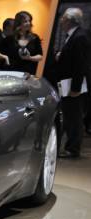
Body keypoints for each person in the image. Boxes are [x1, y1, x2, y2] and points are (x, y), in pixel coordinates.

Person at [54, 8, 90, 158]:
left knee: (73, 118)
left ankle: (72, 149)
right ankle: (70, 146)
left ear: (69, 20)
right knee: (70, 116)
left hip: (74, 86)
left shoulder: (79, 36)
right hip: (69, 83)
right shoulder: (75, 35)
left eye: (63, 18)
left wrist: (75, 88)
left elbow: (81, 64)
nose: (61, 20)